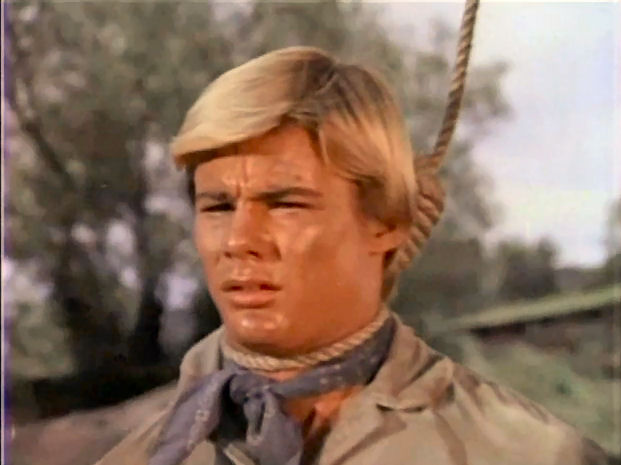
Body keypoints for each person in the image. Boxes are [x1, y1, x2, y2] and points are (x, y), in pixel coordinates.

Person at [96, 47, 608, 465]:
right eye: (218, 206)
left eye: (285, 203)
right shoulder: (145, 456)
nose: (239, 240)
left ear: (386, 222)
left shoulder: (529, 455)